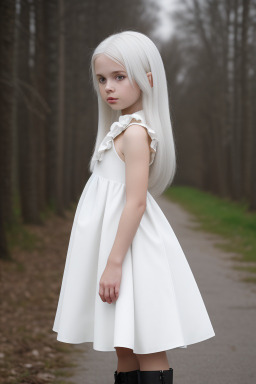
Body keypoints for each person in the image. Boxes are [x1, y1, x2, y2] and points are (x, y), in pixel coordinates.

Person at [52, 30, 215, 384]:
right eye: (101, 79)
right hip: (116, 248)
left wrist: (113, 264)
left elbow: (136, 202)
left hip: (130, 253)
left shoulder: (137, 134)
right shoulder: (118, 130)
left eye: (119, 76)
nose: (108, 87)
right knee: (123, 344)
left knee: (147, 343)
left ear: (147, 79)